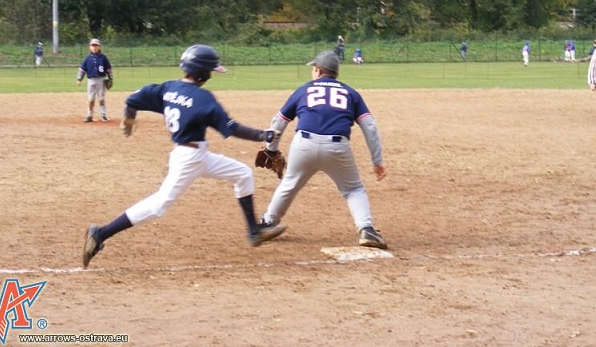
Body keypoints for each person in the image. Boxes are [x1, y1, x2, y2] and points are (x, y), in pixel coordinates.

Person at [82, 44, 286, 268]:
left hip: (196, 154)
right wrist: (263, 135)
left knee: (242, 173)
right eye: (210, 71)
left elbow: (133, 99)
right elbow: (231, 127)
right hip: (190, 159)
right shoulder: (203, 98)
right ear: (203, 73)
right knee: (158, 205)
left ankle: (254, 231)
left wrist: (129, 119)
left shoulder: (169, 88)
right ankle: (100, 233)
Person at [257, 50, 388, 249]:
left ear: (318, 70)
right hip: (337, 146)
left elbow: (279, 121)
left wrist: (271, 149)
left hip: (303, 144)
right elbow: (369, 125)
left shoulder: (304, 90)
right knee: (353, 190)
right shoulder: (351, 93)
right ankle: (366, 229)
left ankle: (267, 223)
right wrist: (377, 161)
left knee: (289, 183)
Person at [76, 38, 113, 123]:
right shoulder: (87, 58)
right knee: (91, 99)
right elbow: (82, 69)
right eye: (93, 46)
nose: (94, 47)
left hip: (100, 80)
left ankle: (103, 116)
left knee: (101, 99)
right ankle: (89, 116)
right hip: (91, 80)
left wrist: (110, 78)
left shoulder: (103, 58)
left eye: (96, 46)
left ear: (99, 47)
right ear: (90, 47)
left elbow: (109, 69)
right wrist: (79, 79)